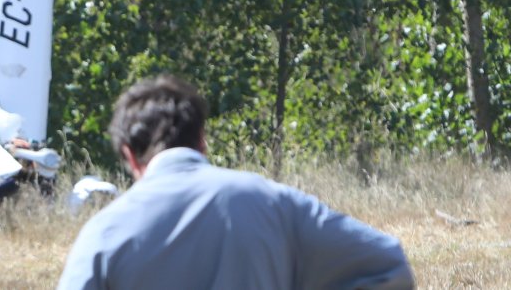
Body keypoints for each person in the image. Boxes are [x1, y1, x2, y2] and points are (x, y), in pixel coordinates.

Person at [57, 75, 414, 290]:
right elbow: (387, 265)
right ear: (202, 140)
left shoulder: (104, 234)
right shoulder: (274, 203)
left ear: (129, 156)